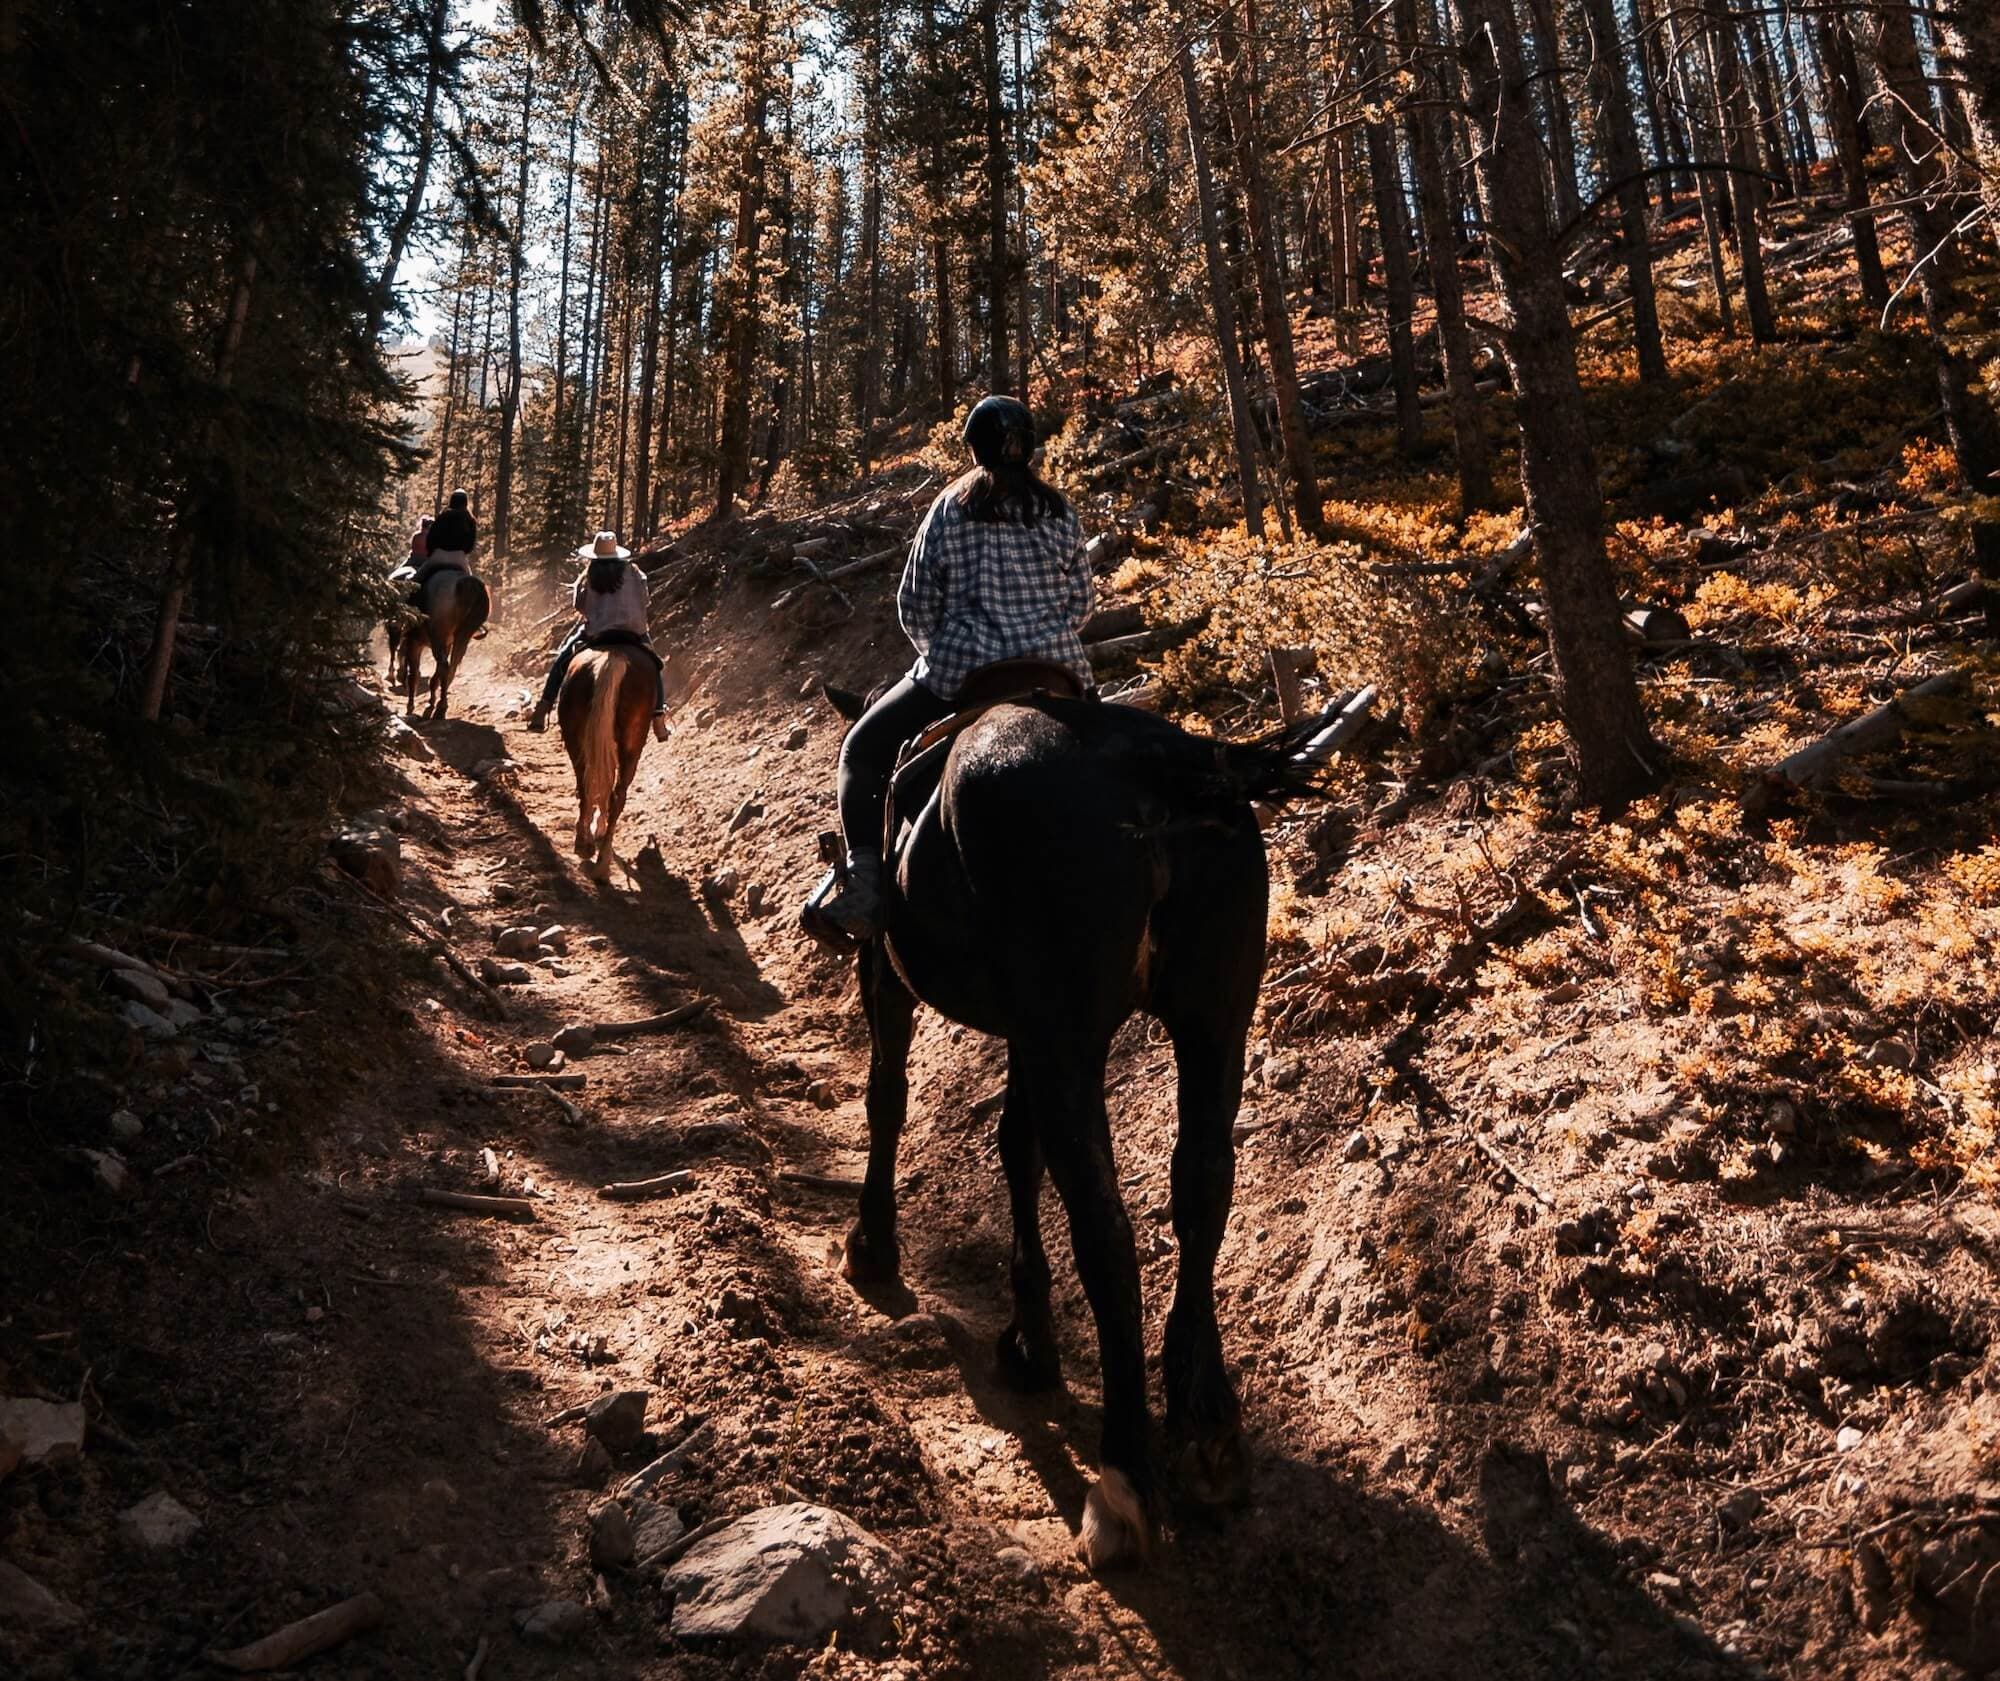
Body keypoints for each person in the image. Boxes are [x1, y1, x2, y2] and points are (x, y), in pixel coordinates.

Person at [814, 394, 1093, 939]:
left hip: (964, 674)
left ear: (974, 447)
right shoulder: (1059, 509)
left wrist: (938, 653)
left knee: (862, 750)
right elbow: (1082, 605)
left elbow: (915, 605)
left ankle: (865, 884)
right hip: (1058, 674)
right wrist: (1044, 635)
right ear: (1029, 447)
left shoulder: (951, 505)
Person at [527, 532, 671, 743]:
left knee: (562, 659)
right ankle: (658, 718)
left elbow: (579, 605)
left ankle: (544, 707)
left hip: (597, 633)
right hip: (633, 632)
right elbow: (645, 600)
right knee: (654, 665)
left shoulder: (589, 574)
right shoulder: (635, 572)